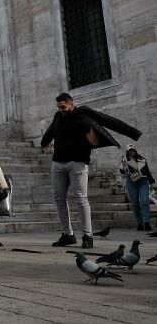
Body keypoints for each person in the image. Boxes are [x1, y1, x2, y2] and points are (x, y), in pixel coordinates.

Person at [41, 92, 142, 249]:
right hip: (58, 163)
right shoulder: (58, 116)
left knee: (81, 198)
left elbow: (104, 126)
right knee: (59, 198)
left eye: (63, 106)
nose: (61, 109)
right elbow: (50, 132)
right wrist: (44, 142)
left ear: (71, 104)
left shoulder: (83, 115)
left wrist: (131, 133)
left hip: (78, 164)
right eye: (58, 107)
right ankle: (68, 235)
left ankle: (87, 236)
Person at [120, 144, 154, 231]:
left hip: (143, 181)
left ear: (135, 150)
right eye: (130, 150)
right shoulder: (125, 161)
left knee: (145, 201)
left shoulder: (142, 159)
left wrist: (152, 183)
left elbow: (147, 172)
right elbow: (122, 172)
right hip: (131, 183)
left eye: (133, 150)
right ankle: (139, 223)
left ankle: (146, 222)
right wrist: (124, 166)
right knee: (135, 204)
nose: (132, 152)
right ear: (128, 151)